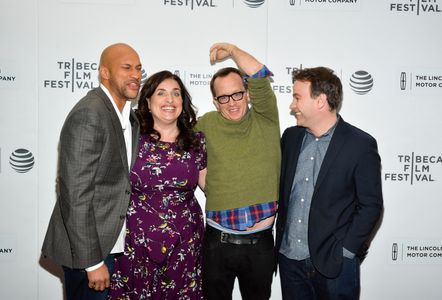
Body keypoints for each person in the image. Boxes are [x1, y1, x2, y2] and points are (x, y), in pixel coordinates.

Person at [41, 43, 142, 300]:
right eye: (126, 67)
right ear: (104, 73)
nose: (135, 75)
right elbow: (75, 192)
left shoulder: (129, 118)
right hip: (89, 252)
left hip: (113, 245)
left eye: (139, 69)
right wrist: (92, 262)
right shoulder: (90, 114)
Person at [275, 67, 383, 300]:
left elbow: (371, 205)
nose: (292, 105)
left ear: (321, 101)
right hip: (289, 260)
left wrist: (347, 252)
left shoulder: (360, 145)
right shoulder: (291, 138)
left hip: (334, 265)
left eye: (297, 97)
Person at [108, 70, 207, 299]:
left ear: (183, 101)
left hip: (185, 242)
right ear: (148, 101)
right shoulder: (130, 138)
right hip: (135, 242)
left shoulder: (196, 141)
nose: (169, 100)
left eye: (176, 93)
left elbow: (211, 186)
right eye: (161, 93)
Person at [196, 43, 281, 300]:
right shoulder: (205, 124)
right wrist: (205, 177)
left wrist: (232, 50)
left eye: (237, 94)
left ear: (247, 93)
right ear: (215, 101)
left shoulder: (265, 117)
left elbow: (258, 74)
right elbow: (177, 150)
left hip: (260, 246)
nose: (231, 103)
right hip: (216, 244)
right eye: (223, 97)